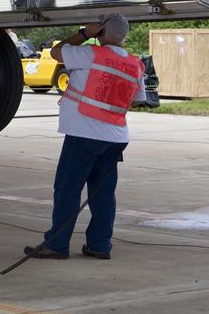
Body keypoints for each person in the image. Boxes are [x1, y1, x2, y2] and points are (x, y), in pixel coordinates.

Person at [24, 13, 145, 261]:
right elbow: (138, 99)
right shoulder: (135, 64)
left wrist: (83, 34)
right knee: (103, 192)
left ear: (100, 32)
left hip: (84, 133)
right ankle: (100, 245)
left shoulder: (91, 54)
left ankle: (57, 244)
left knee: (68, 189)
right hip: (115, 136)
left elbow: (57, 52)